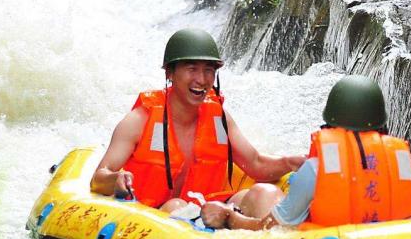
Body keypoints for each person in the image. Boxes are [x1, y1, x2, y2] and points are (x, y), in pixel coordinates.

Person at [91, 28, 305, 216]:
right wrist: (115, 179)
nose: (202, 80)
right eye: (192, 69)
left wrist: (291, 162)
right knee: (176, 206)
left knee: (264, 193)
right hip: (154, 218)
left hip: (208, 211)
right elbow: (99, 177)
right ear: (170, 73)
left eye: (208, 70)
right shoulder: (139, 121)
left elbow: (256, 164)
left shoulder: (220, 119)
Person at [201, 75, 411, 230]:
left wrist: (230, 217)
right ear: (382, 121)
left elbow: (272, 229)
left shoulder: (316, 169)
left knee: (263, 194)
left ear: (330, 123)